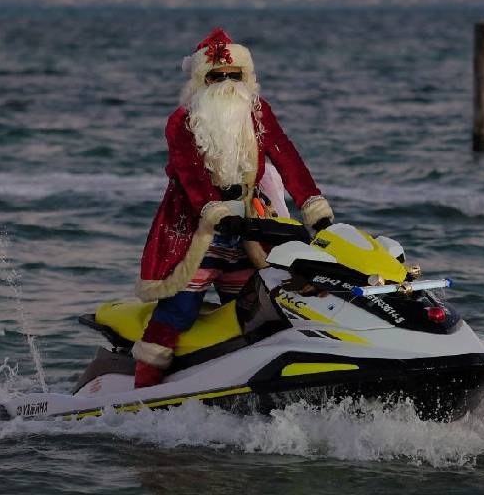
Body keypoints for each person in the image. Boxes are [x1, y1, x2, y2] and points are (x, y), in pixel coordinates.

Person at [132, 28, 334, 387]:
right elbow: (190, 174)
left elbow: (287, 157)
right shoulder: (182, 121)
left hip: (250, 228)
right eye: (216, 75)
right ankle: (143, 388)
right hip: (196, 231)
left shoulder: (257, 112)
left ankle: (241, 382)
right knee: (179, 310)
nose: (225, 82)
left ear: (246, 76)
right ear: (200, 79)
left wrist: (312, 204)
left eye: (233, 75)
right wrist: (212, 210)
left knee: (253, 310)